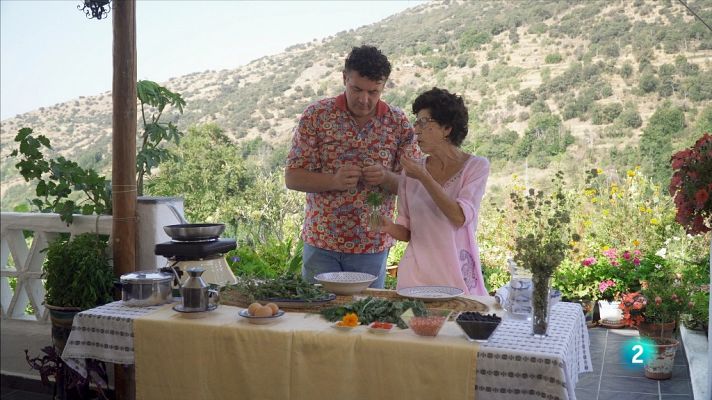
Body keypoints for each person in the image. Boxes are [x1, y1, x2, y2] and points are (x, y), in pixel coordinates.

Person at [285, 45, 417, 288]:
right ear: (344, 78)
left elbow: (415, 186)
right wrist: (332, 181)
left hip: (372, 246)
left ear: (384, 86)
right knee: (316, 319)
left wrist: (386, 178)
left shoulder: (398, 123)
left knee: (366, 321)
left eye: (373, 92)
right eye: (356, 89)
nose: (364, 99)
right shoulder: (316, 115)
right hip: (321, 243)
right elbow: (292, 178)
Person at [380, 87, 490, 295]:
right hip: (414, 279)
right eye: (416, 122)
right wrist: (387, 226)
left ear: (446, 128)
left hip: (457, 278)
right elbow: (407, 233)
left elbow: (459, 217)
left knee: (458, 328)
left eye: (423, 122)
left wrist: (424, 177)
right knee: (412, 327)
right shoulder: (410, 172)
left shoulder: (476, 167)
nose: (416, 130)